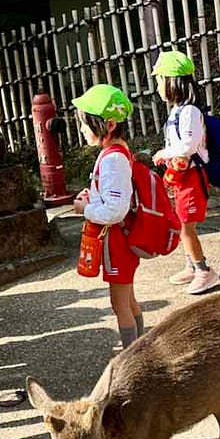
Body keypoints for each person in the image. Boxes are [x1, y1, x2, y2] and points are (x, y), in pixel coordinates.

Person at [70, 83, 144, 350]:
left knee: (119, 304)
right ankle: (139, 350)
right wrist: (94, 197)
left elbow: (116, 210)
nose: (82, 129)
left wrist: (85, 210)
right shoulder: (116, 153)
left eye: (85, 123)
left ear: (109, 125)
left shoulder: (113, 159)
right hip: (120, 237)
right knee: (129, 299)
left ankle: (131, 357)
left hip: (116, 239)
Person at [150, 51, 220, 294]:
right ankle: (191, 265)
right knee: (181, 223)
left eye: (160, 80)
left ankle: (204, 270)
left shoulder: (189, 112)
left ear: (172, 82)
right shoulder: (178, 111)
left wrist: (164, 153)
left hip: (191, 178)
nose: (157, 86)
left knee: (185, 227)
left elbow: (189, 146)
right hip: (181, 177)